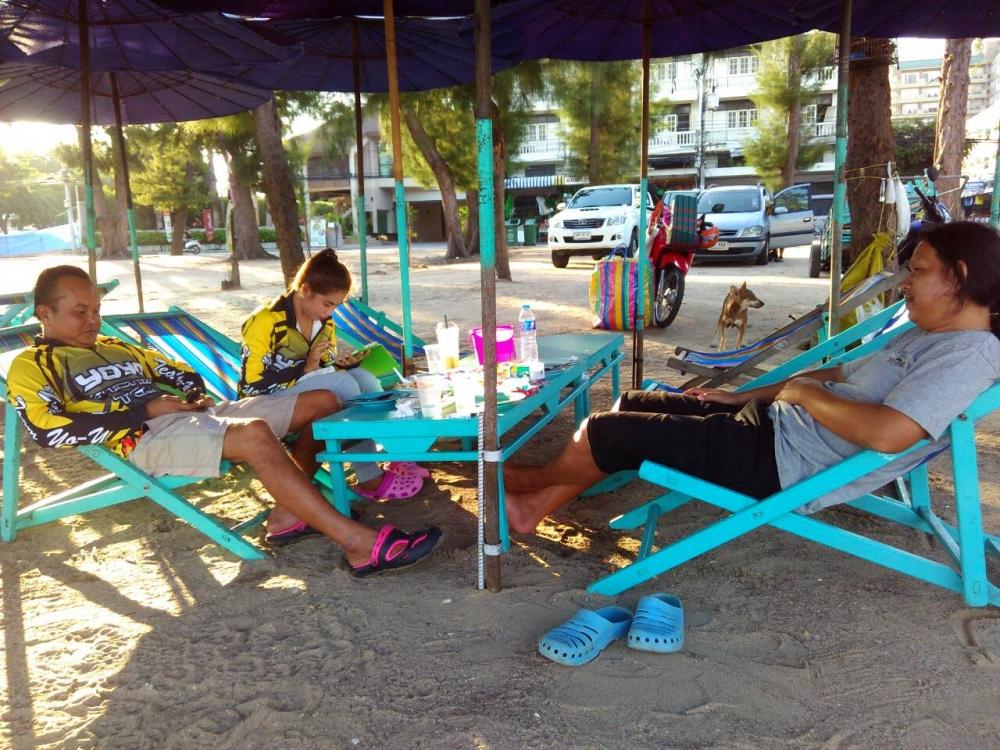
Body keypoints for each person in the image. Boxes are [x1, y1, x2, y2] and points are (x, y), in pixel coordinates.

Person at [505, 221, 1000, 533]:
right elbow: (839, 371)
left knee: (605, 431)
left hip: (782, 463)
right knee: (633, 403)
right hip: (774, 426)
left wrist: (803, 394)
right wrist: (742, 395)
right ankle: (531, 510)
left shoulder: (968, 355)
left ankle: (526, 482)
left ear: (958, 275)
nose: (907, 282)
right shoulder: (926, 334)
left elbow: (891, 433)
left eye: (918, 271)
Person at [7, 265, 441, 576]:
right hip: (137, 438)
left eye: (97, 309)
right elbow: (48, 431)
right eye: (80, 312)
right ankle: (359, 545)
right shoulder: (31, 365)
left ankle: (287, 514)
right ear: (44, 314)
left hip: (191, 417)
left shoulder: (118, 347)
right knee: (253, 433)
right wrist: (144, 410)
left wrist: (191, 394)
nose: (93, 319)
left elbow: (181, 372)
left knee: (323, 399)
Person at [239, 248, 429, 518]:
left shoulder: (323, 320)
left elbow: (323, 369)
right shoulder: (267, 321)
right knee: (347, 386)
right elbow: (252, 384)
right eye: (328, 304)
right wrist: (307, 367)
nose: (332, 312)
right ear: (305, 290)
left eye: (337, 306)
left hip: (306, 391)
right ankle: (370, 475)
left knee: (364, 377)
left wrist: (339, 364)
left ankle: (393, 452)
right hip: (263, 402)